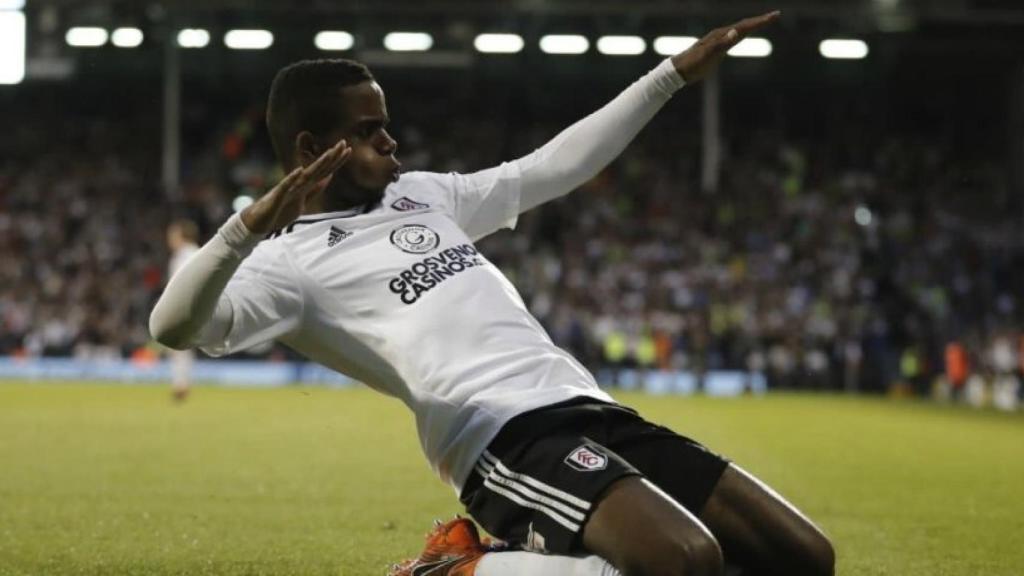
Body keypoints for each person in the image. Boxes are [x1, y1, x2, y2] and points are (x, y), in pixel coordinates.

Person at [149, 10, 834, 576]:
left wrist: (670, 76)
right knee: (683, 561)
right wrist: (245, 228)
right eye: (366, 131)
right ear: (308, 150)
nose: (390, 141)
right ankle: (463, 569)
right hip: (501, 438)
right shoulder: (286, 264)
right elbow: (171, 327)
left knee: (803, 557)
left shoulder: (421, 194)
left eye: (384, 123)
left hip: (585, 405)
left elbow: (549, 169)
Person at [164, 219, 200, 402]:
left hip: (186, 306)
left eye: (173, 235)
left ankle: (181, 385)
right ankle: (181, 384)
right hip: (186, 305)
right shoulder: (186, 254)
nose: (170, 239)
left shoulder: (188, 254)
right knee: (179, 348)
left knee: (179, 347)